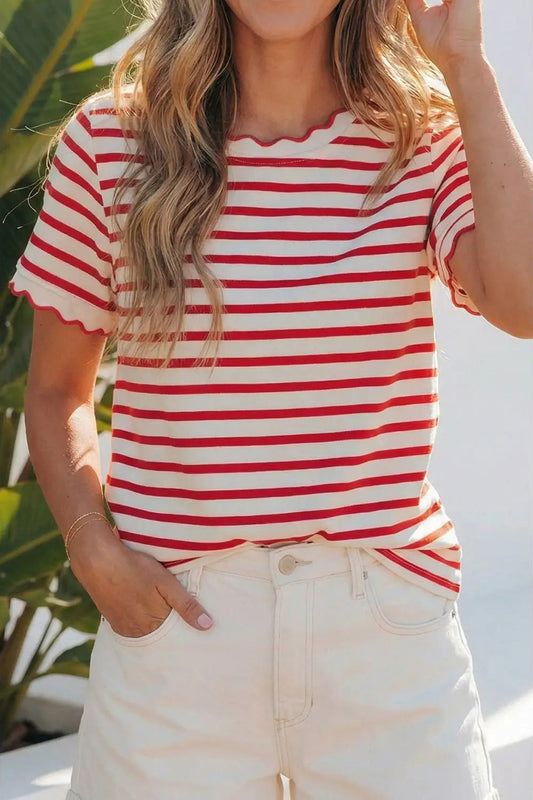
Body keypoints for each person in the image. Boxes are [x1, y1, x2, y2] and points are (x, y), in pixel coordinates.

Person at [9, 0, 531, 797]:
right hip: (179, 637)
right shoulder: (110, 141)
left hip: (386, 640)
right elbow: (53, 391)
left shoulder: (422, 139)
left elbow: (521, 303)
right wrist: (92, 548)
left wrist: (467, 67)